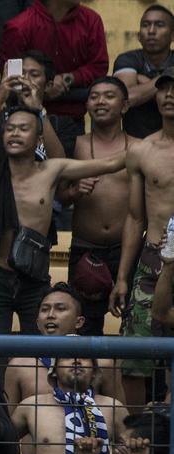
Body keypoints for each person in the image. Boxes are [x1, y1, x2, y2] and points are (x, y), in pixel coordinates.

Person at [0, 107, 124, 336]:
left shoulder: (52, 169)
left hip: (34, 276)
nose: (15, 133)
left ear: (38, 140)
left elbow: (111, 164)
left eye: (23, 129)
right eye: (10, 129)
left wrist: (152, 149)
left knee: (39, 353)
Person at [112, 68, 174, 407]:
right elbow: (135, 216)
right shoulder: (143, 151)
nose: (170, 95)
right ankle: (142, 433)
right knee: (134, 357)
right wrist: (122, 277)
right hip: (153, 258)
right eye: (164, 89)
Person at [57, 77, 132, 337]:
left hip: (128, 249)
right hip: (85, 248)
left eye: (109, 96)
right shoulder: (75, 144)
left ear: (124, 106)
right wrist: (74, 191)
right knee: (84, 328)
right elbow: (61, 197)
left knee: (134, 326)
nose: (100, 101)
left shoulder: (140, 147)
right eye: (94, 96)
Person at [11, 356, 126, 454]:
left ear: (95, 372)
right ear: (53, 372)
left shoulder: (113, 408)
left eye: (85, 358)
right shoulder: (31, 406)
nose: (76, 361)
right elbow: (0, 444)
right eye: (66, 357)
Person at [0, 0, 108, 158]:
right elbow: (10, 74)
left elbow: (99, 67)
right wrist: (38, 87)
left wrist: (69, 79)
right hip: (23, 119)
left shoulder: (91, 21)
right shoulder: (19, 26)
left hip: (72, 119)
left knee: (68, 179)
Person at [2, 284, 124, 410]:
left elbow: (119, 418)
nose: (50, 315)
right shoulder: (18, 366)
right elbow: (8, 425)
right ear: (38, 323)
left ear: (79, 322)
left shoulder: (103, 364)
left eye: (60, 309)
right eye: (44, 309)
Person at [0, 50, 66, 160]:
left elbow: (59, 163)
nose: (25, 79)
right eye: (21, 73)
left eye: (34, 75)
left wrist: (39, 109)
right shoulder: (0, 118)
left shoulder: (61, 124)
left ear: (48, 85)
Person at [114, 4, 174, 139]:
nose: (151, 30)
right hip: (134, 143)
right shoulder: (127, 59)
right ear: (139, 36)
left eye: (159, 25)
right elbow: (127, 98)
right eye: (146, 25)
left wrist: (142, 82)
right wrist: (165, 79)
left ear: (172, 35)